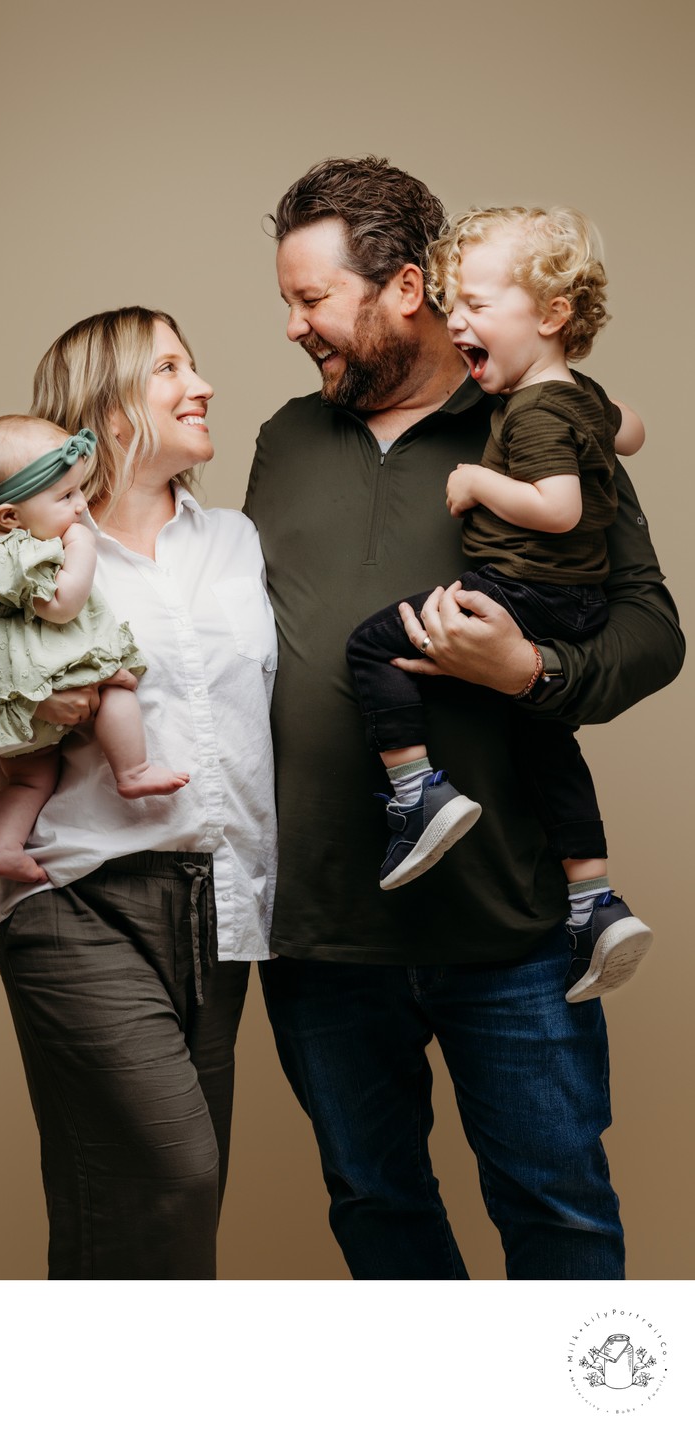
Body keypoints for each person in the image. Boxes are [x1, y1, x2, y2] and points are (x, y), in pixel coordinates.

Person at [245, 157, 684, 1280]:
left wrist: (527, 669)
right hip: (323, 931)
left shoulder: (535, 425)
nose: (292, 325)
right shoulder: (283, 442)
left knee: (559, 1214)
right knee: (377, 1215)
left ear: (403, 288)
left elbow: (649, 634)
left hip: (510, 930)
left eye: (311, 299)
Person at [0, 306, 278, 1279]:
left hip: (217, 910)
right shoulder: (22, 560)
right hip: (75, 899)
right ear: (106, 414)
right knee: (171, 1173)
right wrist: (36, 705)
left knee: (145, 1202)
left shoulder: (235, 543)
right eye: (171, 369)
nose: (203, 386)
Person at [345, 205, 652, 1004]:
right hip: (568, 606)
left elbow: (557, 508)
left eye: (478, 305)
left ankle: (418, 794)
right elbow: (634, 431)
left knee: (375, 646)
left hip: (523, 595)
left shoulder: (538, 409)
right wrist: (604, 417)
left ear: (552, 314)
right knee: (544, 744)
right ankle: (595, 899)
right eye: (454, 306)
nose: (458, 323)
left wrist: (479, 480)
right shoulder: (578, 394)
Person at [0, 416, 188, 885]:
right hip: (32, 673)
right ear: (9, 516)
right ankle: (134, 770)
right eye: (65, 497)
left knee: (29, 780)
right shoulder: (22, 552)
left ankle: (4, 847)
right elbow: (63, 606)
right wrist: (82, 545)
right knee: (117, 685)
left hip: (0, 699)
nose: (80, 505)